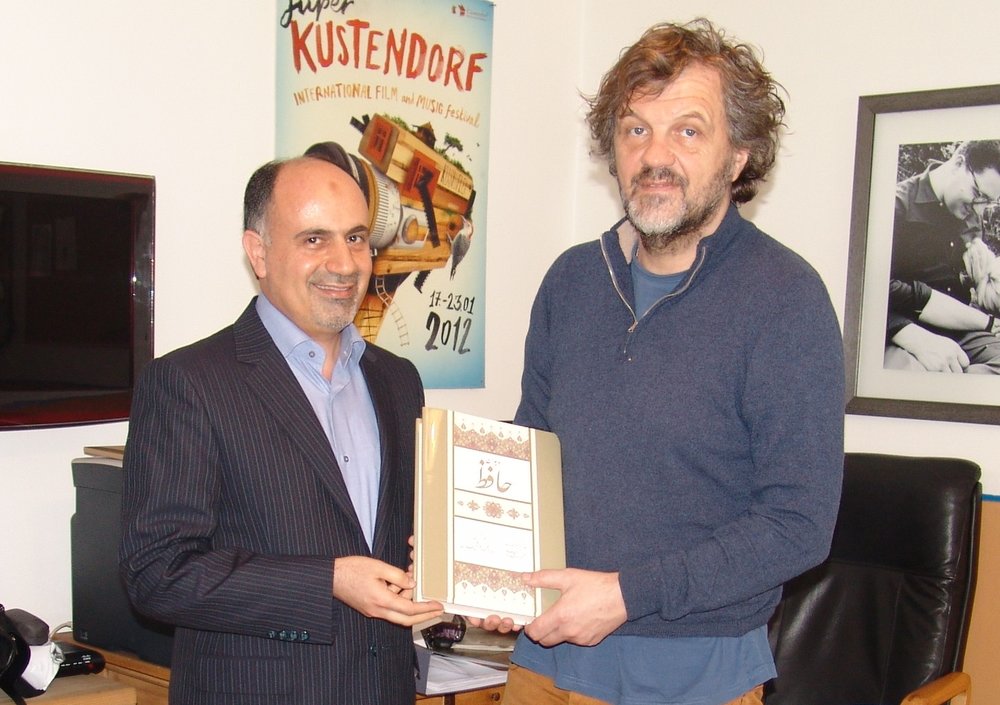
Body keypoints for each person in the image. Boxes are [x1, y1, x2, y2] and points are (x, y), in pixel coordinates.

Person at [479, 19, 845, 705]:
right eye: (636, 129)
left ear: (737, 157)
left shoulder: (786, 299)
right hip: (544, 658)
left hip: (695, 675)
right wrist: (481, 559)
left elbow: (798, 524)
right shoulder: (571, 281)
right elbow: (532, 450)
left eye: (688, 130)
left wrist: (626, 595)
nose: (655, 155)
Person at [119, 155, 443, 705]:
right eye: (314, 239)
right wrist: (327, 581)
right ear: (259, 252)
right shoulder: (188, 382)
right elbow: (156, 573)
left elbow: (407, 538)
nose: (344, 263)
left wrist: (471, 578)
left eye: (357, 238)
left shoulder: (398, 380)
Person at [886, 140, 1000, 372]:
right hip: (902, 327)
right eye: (978, 194)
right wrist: (911, 335)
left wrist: (983, 279)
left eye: (988, 202)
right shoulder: (894, 207)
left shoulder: (969, 212)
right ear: (958, 163)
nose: (979, 210)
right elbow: (873, 291)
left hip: (960, 328)